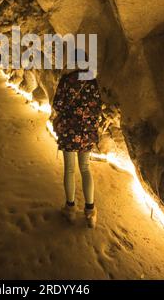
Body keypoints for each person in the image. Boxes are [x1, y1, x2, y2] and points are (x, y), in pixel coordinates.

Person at [52, 59, 102, 228]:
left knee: (70, 169)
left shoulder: (67, 80)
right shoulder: (92, 81)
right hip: (87, 132)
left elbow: (57, 104)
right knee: (86, 168)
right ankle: (89, 212)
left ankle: (70, 209)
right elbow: (97, 107)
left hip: (69, 130)